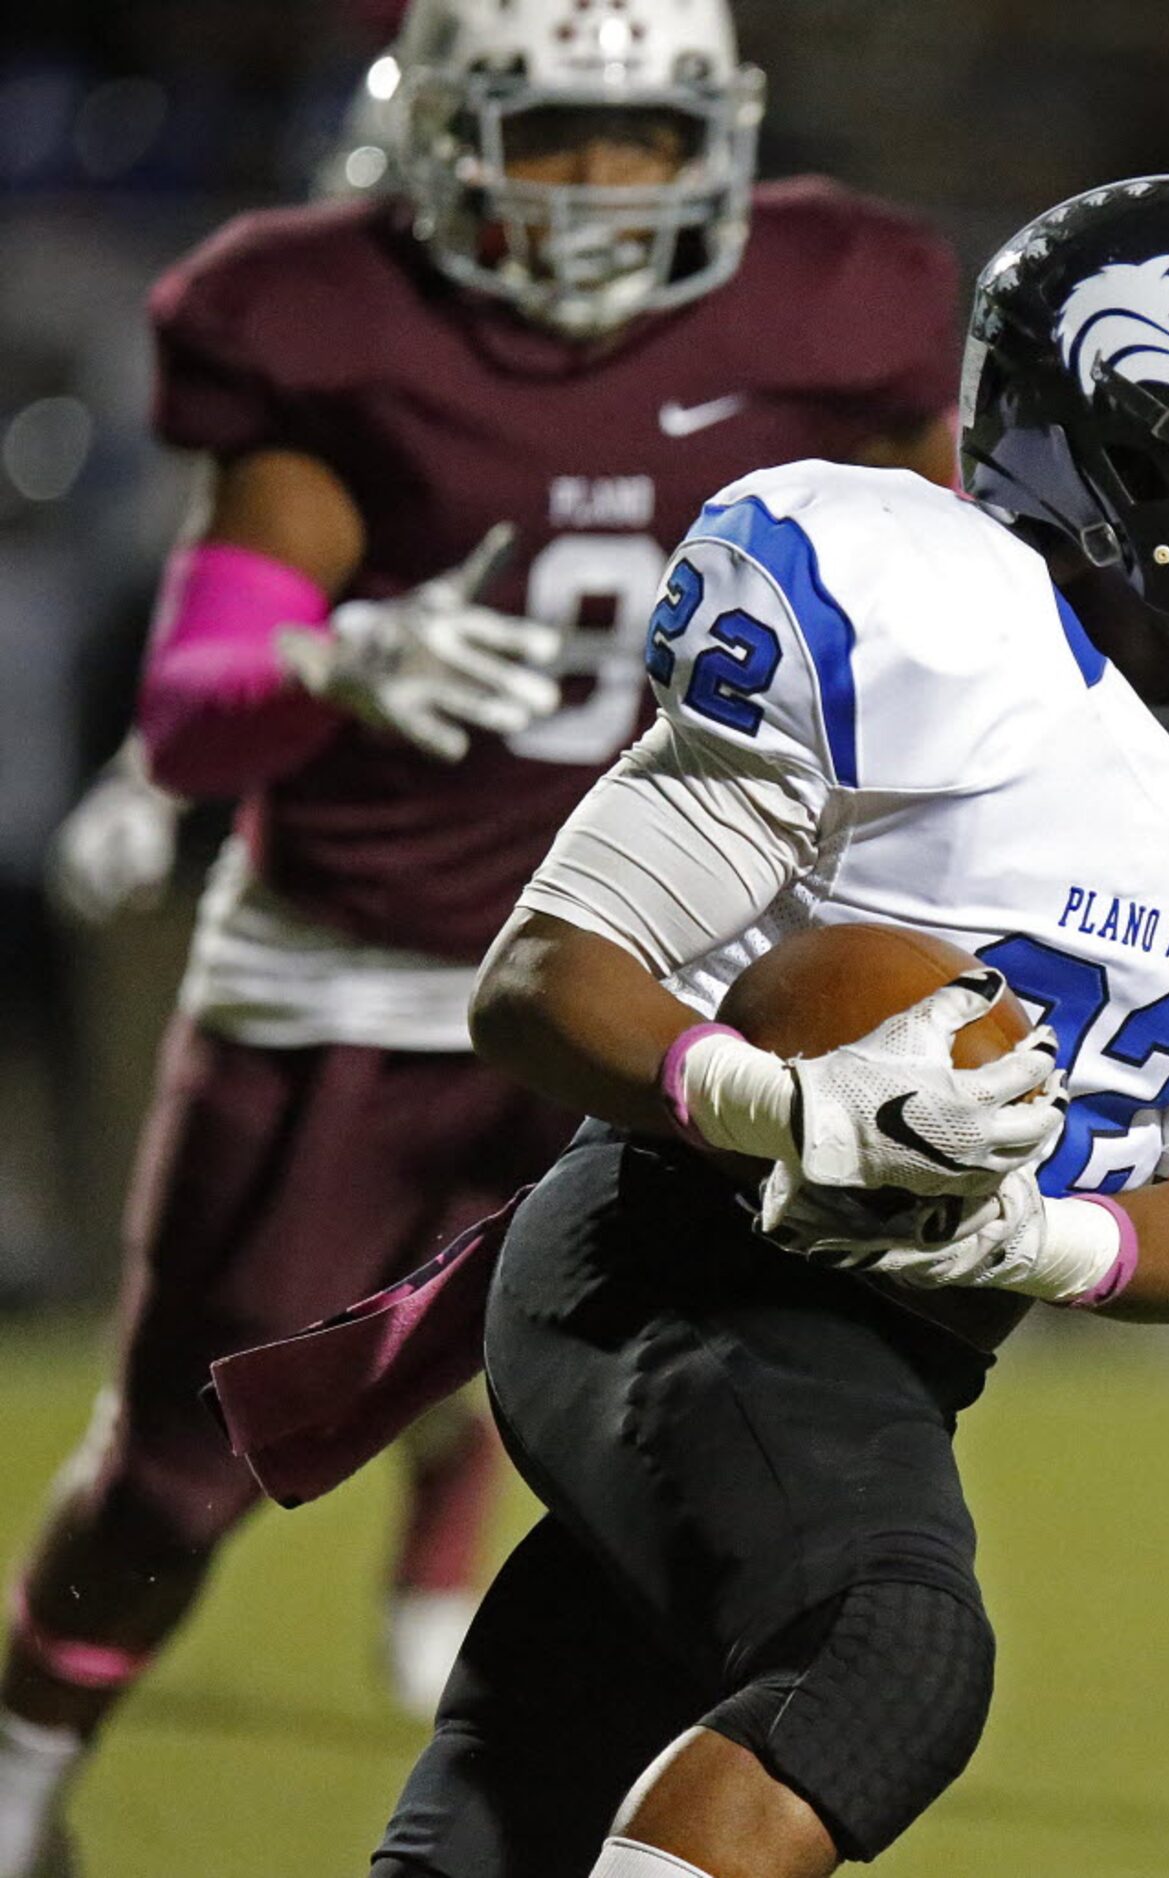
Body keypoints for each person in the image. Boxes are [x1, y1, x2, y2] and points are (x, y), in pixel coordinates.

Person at [355, 175, 1169, 1878]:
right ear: (1136, 453)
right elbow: (546, 979)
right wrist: (782, 1103)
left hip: (892, 1346)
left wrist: (1028, 1233)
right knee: (887, 1652)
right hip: (672, 1261)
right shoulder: (917, 616)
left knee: (517, 1808)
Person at [0, 0, 961, 1868]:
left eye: (643, 140)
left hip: (649, 980)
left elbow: (971, 610)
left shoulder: (843, 306)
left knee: (650, 1421)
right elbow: (204, 698)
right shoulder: (323, 318)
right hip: (358, 967)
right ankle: (25, 1761)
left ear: (726, 137)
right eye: (551, 137)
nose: (602, 190)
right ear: (437, 136)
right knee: (184, 1466)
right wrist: (322, 654)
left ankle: (550, 1780)